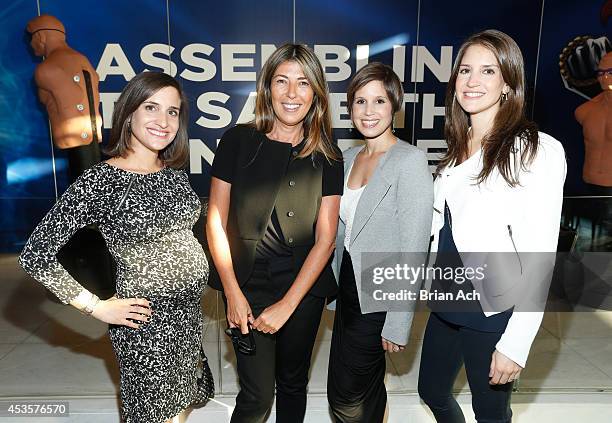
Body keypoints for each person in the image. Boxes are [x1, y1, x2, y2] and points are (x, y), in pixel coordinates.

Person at [19, 72, 212, 423]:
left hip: (188, 318)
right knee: (152, 414)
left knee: (180, 404)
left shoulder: (172, 171)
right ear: (129, 113)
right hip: (146, 324)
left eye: (173, 111)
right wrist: (95, 307)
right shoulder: (101, 180)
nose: (163, 120)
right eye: (151, 107)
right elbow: (36, 254)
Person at [417, 30, 567, 423]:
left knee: (490, 412)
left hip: (493, 304)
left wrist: (516, 343)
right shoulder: (457, 144)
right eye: (465, 70)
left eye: (487, 71)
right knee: (431, 391)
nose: (471, 81)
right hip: (448, 295)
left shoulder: (534, 149)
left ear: (508, 83)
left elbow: (541, 255)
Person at [206, 43, 343, 423]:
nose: (292, 93)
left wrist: (289, 305)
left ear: (316, 91)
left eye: (302, 83)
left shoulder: (327, 152)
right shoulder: (237, 140)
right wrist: (232, 292)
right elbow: (215, 220)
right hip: (247, 286)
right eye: (281, 81)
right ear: (267, 88)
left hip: (304, 286)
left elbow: (326, 238)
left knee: (293, 384)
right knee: (257, 396)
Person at [326, 62, 433, 422]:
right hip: (348, 291)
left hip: (383, 294)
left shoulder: (411, 160)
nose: (368, 112)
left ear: (394, 106)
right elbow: (341, 231)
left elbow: (414, 246)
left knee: (346, 394)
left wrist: (399, 321)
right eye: (360, 102)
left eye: (379, 102)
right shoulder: (348, 158)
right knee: (366, 384)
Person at [26, 14, 103, 182]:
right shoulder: (83, 60)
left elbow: (73, 102)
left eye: (32, 38)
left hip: (77, 147)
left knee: (85, 199)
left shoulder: (46, 69)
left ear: (41, 37)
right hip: (91, 145)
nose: (31, 44)